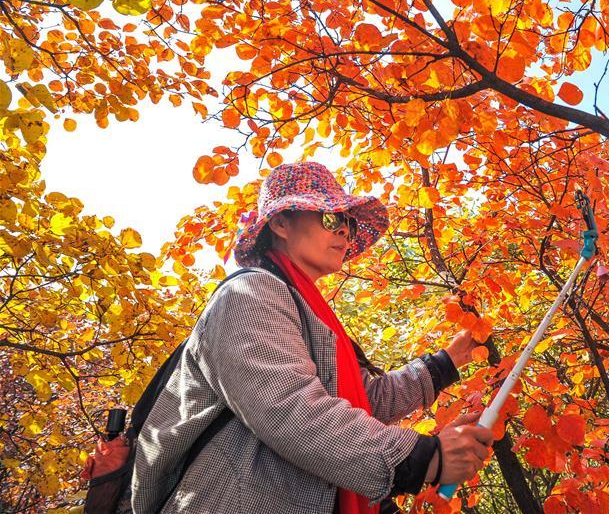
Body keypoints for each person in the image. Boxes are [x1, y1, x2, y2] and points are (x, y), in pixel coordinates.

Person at [131, 161, 494, 513]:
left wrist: (447, 361)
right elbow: (288, 408)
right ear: (281, 222)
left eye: (349, 223)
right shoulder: (249, 295)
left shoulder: (311, 313)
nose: (345, 232)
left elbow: (368, 401)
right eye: (332, 218)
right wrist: (425, 459)